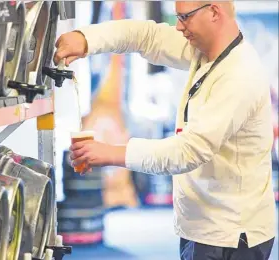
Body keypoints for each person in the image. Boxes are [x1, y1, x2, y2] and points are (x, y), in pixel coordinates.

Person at [53, 1, 276, 260]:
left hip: (230, 237)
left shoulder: (239, 75)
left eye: (185, 17)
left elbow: (188, 152)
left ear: (214, 12)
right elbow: (146, 36)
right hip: (205, 227)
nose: (178, 27)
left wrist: (111, 154)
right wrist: (86, 38)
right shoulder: (206, 50)